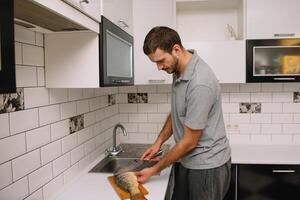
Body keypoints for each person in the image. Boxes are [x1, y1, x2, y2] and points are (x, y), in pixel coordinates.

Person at [135, 26, 231, 200]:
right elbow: (178, 111)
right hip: (190, 161)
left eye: (160, 61)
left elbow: (189, 142)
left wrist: (154, 169)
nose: (159, 67)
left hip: (207, 166)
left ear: (176, 49)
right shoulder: (178, 70)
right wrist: (158, 142)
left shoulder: (200, 83)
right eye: (155, 62)